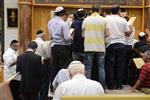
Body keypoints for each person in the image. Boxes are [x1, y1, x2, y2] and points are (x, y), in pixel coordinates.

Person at [82, 4, 109, 89]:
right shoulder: (104, 20)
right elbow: (107, 34)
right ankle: (102, 88)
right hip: (100, 47)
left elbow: (83, 35)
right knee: (101, 67)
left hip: (89, 47)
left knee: (88, 68)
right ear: (99, 10)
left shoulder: (86, 20)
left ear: (91, 10)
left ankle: (87, 88)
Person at [105, 5, 131, 90]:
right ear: (119, 11)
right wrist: (130, 27)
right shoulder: (123, 20)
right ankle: (119, 85)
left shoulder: (106, 19)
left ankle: (110, 85)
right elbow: (127, 34)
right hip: (121, 44)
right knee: (120, 65)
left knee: (110, 65)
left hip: (110, 44)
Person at [47, 6, 72, 91]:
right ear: (63, 14)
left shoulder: (50, 22)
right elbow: (66, 38)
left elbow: (50, 37)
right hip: (63, 48)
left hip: (54, 47)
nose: (66, 17)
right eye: (65, 15)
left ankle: (52, 86)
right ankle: (61, 87)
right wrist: (72, 36)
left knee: (54, 67)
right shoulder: (63, 24)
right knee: (63, 68)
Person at [33, 30, 51, 100]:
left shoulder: (32, 42)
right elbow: (48, 55)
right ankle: (43, 98)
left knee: (35, 82)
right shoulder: (44, 43)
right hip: (43, 64)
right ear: (43, 36)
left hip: (34, 65)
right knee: (44, 82)